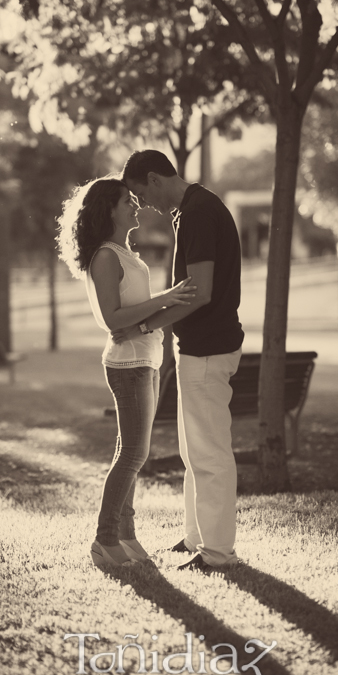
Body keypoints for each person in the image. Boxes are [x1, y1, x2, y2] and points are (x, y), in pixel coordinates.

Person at [57, 175, 196, 569]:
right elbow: (112, 319)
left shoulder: (124, 251)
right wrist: (166, 298)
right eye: (127, 201)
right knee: (135, 453)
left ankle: (127, 535)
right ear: (110, 210)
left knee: (130, 450)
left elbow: (132, 312)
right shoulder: (105, 256)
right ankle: (104, 540)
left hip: (146, 358)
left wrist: (160, 307)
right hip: (128, 363)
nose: (136, 206)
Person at [116, 151, 244, 572]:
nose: (143, 204)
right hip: (197, 347)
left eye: (140, 193)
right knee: (194, 452)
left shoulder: (198, 213)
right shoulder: (189, 211)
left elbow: (201, 290)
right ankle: (196, 538)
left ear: (154, 178)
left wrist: (147, 325)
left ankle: (218, 553)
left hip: (208, 348)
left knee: (209, 454)